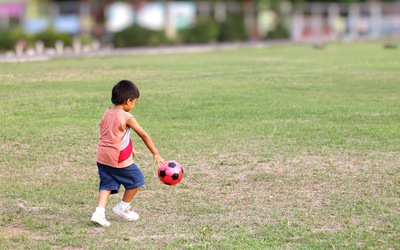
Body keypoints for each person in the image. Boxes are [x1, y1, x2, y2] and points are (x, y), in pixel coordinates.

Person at [91, 80, 166, 227]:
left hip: (102, 156)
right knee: (136, 180)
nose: (134, 105)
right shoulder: (126, 117)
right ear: (128, 101)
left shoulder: (107, 113)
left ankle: (99, 213)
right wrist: (155, 153)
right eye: (135, 102)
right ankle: (123, 207)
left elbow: (112, 134)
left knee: (107, 184)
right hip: (117, 158)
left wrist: (129, 148)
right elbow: (143, 134)